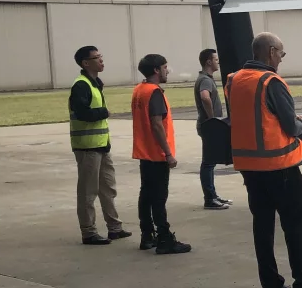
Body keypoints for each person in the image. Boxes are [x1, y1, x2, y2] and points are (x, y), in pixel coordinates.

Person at [228, 32, 302, 288]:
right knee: (296, 227)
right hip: (280, 168)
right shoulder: (271, 82)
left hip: (249, 168)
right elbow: (289, 125)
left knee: (262, 228)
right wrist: (301, 123)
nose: (281, 60)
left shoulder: (234, 81)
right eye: (281, 54)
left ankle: (272, 286)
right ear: (271, 52)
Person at [68, 45, 131, 246]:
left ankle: (114, 227)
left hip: (101, 145)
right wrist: (104, 112)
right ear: (86, 63)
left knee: (108, 187)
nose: (101, 60)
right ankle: (88, 232)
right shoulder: (81, 85)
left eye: (101, 56)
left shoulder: (95, 83)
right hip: (87, 147)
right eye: (97, 58)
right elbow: (82, 113)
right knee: (88, 191)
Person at [131, 54, 191, 255]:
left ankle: (147, 235)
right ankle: (165, 238)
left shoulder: (139, 90)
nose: (168, 71)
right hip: (157, 153)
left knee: (146, 195)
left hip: (144, 151)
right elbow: (157, 125)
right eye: (165, 67)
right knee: (158, 198)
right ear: (157, 70)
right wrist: (168, 153)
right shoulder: (154, 92)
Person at [194, 48, 231, 210]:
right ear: (208, 61)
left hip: (207, 125)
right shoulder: (206, 80)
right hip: (208, 125)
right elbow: (204, 97)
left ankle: (213, 195)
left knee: (209, 162)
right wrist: (212, 119)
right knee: (208, 163)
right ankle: (209, 198)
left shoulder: (205, 78)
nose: (218, 62)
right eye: (216, 59)